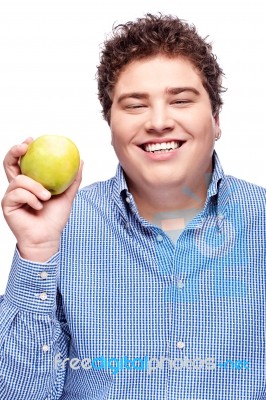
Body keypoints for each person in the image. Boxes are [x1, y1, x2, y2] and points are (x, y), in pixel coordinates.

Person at [0, 13, 265, 400]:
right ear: (110, 126)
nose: (158, 122)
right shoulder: (61, 229)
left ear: (216, 119)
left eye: (180, 100)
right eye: (135, 105)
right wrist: (37, 253)